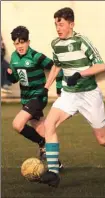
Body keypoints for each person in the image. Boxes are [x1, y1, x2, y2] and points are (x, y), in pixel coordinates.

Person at [37, 7, 105, 188]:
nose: (58, 28)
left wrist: (79, 74)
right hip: (69, 95)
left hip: (89, 95)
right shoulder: (56, 43)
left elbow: (100, 66)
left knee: (103, 140)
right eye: (56, 24)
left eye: (61, 24)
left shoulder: (82, 41)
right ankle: (54, 173)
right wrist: (46, 87)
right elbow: (57, 65)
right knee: (49, 125)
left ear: (71, 24)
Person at [6, 26, 63, 169]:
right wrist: (9, 74)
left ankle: (42, 143)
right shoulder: (13, 57)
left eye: (22, 42)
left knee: (17, 124)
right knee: (43, 131)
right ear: (14, 44)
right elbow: (14, 79)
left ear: (28, 42)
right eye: (17, 43)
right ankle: (56, 163)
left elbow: (57, 67)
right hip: (26, 99)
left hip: (38, 97)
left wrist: (58, 87)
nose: (20, 46)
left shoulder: (36, 56)